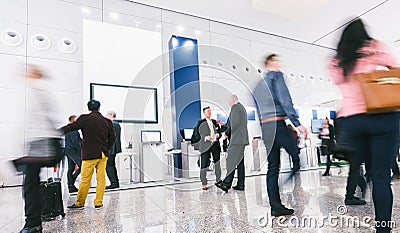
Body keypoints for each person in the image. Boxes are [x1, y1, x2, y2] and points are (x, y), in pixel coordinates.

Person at [328, 18, 399, 233]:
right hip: (385, 116)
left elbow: (338, 80)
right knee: (381, 177)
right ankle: (383, 229)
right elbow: (396, 69)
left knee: (359, 166)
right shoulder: (376, 48)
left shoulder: (337, 60)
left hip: (354, 122)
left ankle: (355, 191)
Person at [252, 54, 308, 217]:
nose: (279, 64)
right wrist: (297, 123)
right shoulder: (277, 76)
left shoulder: (257, 85)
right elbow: (285, 100)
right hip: (278, 124)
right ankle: (285, 185)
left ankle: (275, 206)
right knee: (297, 159)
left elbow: (257, 108)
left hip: (266, 128)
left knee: (273, 166)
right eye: (277, 61)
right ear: (270, 63)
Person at [18, 65, 62, 233]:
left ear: (35, 74)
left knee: (30, 183)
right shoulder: (37, 91)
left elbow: (45, 119)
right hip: (40, 141)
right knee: (31, 182)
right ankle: (33, 222)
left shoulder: (36, 91)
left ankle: (33, 223)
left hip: (40, 142)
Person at [61, 100, 116, 210]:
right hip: (102, 154)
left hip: (89, 154)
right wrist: (107, 149)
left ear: (88, 109)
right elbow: (113, 138)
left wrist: (56, 132)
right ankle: (98, 202)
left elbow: (71, 127)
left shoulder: (84, 118)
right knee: (101, 178)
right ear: (99, 108)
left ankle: (80, 202)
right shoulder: (107, 121)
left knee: (85, 178)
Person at [215, 95, 249, 192]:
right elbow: (235, 123)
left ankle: (226, 184)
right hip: (241, 139)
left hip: (236, 140)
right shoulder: (241, 108)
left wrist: (226, 133)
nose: (228, 102)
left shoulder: (235, 107)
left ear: (233, 99)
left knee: (231, 161)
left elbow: (235, 124)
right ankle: (241, 184)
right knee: (240, 163)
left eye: (229, 100)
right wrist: (224, 125)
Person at [194, 106, 222, 190]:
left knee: (217, 163)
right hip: (205, 145)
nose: (209, 112)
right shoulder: (200, 122)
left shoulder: (214, 122)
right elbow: (197, 135)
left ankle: (218, 180)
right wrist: (205, 138)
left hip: (215, 145)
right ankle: (204, 183)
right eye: (207, 111)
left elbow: (219, 132)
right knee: (204, 164)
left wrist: (218, 135)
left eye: (210, 111)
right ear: (204, 113)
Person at [65, 115, 82, 193]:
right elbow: (76, 142)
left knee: (70, 168)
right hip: (74, 151)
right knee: (82, 166)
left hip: (68, 150)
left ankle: (70, 186)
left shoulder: (67, 129)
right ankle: (72, 182)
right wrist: (80, 150)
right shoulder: (74, 130)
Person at [105, 111, 122, 189]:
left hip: (111, 148)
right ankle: (115, 182)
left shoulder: (113, 124)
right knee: (111, 165)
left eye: (107, 115)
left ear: (111, 115)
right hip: (113, 148)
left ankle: (114, 183)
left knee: (109, 165)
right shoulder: (116, 124)